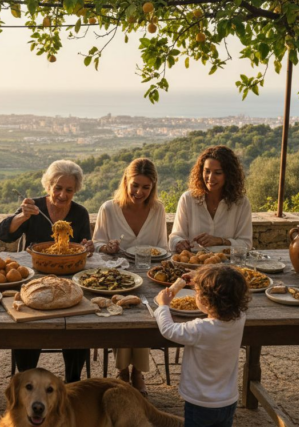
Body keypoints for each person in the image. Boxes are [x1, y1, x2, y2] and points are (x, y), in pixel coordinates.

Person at [0, 159, 94, 383]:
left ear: (75, 190)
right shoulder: (34, 208)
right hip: (35, 277)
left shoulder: (79, 213)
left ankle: (73, 383)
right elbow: (4, 234)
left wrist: (88, 246)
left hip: (69, 277)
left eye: (69, 190)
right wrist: (22, 216)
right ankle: (27, 379)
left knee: (79, 328)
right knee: (28, 327)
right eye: (57, 188)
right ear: (48, 186)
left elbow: (83, 245)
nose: (62, 194)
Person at [93, 158, 166, 396]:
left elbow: (163, 247)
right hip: (115, 276)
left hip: (148, 275)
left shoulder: (157, 209)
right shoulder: (109, 208)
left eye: (146, 187)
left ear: (153, 187)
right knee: (122, 311)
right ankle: (126, 371)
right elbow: (96, 245)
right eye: (135, 185)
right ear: (126, 181)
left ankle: (135, 372)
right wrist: (107, 247)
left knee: (145, 314)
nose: (139, 192)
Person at [154, 265, 249, 427]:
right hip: (228, 400)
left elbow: (168, 330)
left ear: (204, 301)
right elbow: (230, 288)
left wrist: (163, 306)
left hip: (200, 403)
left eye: (197, 292)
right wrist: (199, 277)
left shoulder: (199, 328)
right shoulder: (240, 318)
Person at [169, 145, 252, 253]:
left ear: (229, 175)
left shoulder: (241, 203)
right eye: (207, 171)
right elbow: (174, 237)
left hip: (228, 267)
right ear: (200, 171)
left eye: (218, 173)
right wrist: (179, 243)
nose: (210, 177)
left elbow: (246, 244)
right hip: (194, 266)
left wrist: (220, 241)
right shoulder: (187, 199)